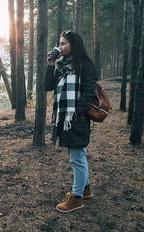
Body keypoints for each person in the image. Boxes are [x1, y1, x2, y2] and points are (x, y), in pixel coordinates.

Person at [45, 30, 98, 213]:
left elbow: (89, 92)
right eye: (59, 44)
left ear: (73, 44)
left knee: (76, 158)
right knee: (79, 154)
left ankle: (77, 198)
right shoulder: (61, 65)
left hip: (75, 118)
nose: (59, 47)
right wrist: (50, 64)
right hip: (65, 117)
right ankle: (86, 189)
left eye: (63, 44)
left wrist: (78, 114)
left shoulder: (85, 65)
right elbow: (48, 87)